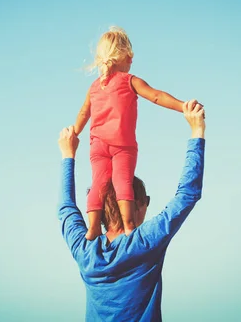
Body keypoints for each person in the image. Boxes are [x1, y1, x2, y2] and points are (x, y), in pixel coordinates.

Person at [58, 99, 206, 321]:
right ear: (136, 203)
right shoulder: (145, 242)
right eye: (146, 199)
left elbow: (66, 207)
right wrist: (197, 130)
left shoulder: (85, 251)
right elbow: (187, 194)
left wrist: (67, 154)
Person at [73, 26, 185, 240]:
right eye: (130, 56)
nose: (132, 60)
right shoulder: (130, 80)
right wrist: (183, 106)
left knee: (99, 183)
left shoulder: (95, 87)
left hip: (97, 145)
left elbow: (83, 113)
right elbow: (156, 96)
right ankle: (129, 226)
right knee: (121, 181)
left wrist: (74, 133)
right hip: (121, 145)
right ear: (123, 56)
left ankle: (94, 227)